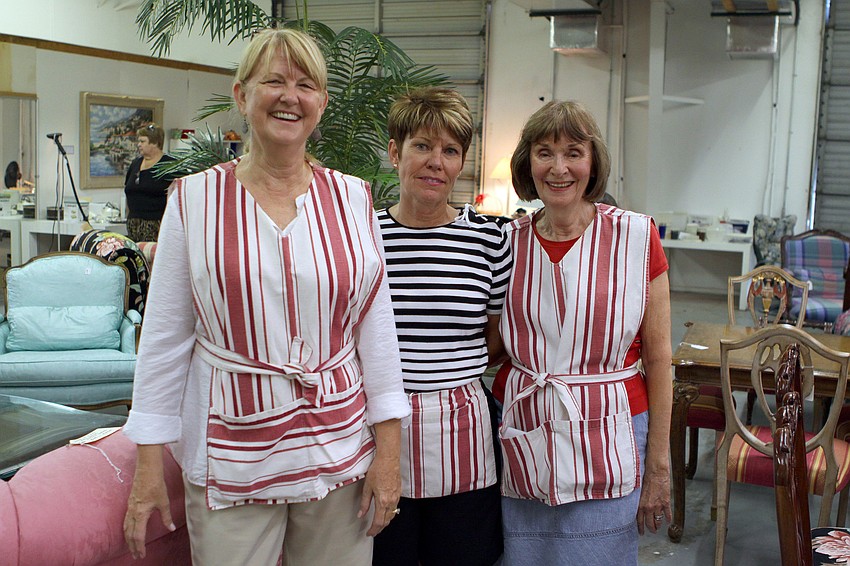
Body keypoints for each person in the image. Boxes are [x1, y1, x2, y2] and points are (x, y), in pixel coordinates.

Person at [122, 28, 410, 565]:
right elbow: (163, 341)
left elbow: (377, 332)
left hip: (338, 445)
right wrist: (147, 467)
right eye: (273, 81)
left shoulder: (352, 199)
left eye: (305, 85)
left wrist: (388, 455)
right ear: (241, 95)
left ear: (321, 103)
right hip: (231, 450)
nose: (289, 96)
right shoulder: (194, 200)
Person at [495, 100, 672, 566]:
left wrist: (659, 466)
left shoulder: (637, 238)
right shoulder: (506, 243)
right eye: (544, 152)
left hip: (612, 433)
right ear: (527, 162)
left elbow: (658, 359)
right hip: (526, 429)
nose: (559, 168)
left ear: (592, 163)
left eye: (573, 152)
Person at [372, 87, 510, 566]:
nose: (436, 162)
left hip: (463, 430)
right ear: (395, 152)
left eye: (450, 150)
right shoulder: (364, 236)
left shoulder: (489, 241)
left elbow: (497, 337)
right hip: (381, 429)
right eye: (422, 146)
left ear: (462, 163)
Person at [123, 123, 175, 242]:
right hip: (133, 224)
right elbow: (128, 189)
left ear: (155, 143)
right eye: (139, 141)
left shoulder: (169, 165)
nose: (139, 145)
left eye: (142, 141)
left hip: (157, 225)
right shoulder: (135, 164)